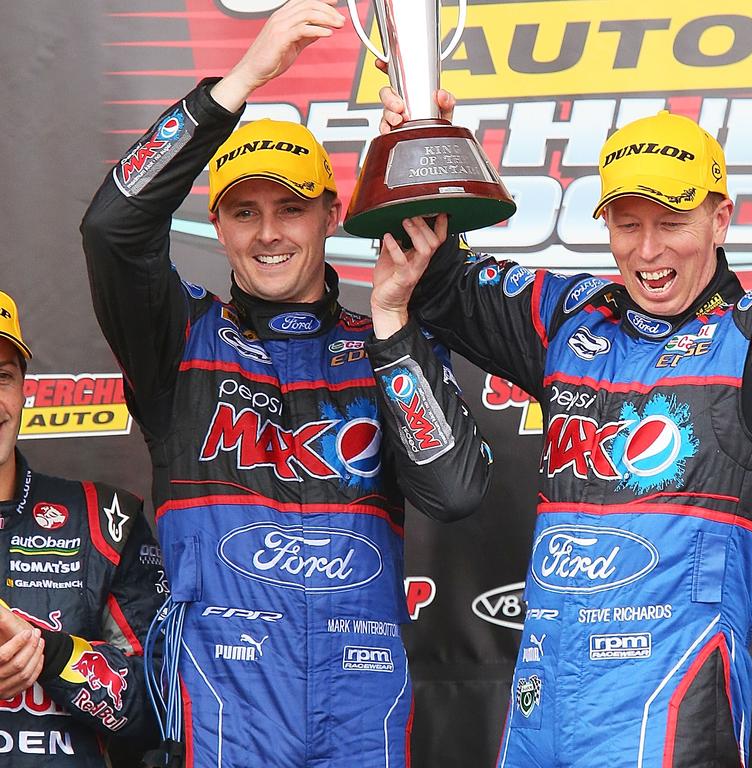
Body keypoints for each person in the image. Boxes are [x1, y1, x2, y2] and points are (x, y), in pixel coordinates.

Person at [373, 0, 752, 764]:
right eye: (626, 223)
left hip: (669, 714)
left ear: (721, 219)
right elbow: (441, 283)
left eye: (671, 221)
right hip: (541, 711)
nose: (648, 250)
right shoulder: (572, 320)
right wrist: (421, 144)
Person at [79, 1, 492, 766]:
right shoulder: (179, 338)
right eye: (245, 212)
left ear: (331, 216)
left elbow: (457, 491)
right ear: (220, 225)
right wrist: (242, 79)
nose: (269, 232)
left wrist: (395, 319)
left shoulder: (382, 346)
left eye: (290, 208)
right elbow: (111, 227)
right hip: (224, 714)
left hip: (364, 708)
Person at [0, 289, 164, 766]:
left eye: (3, 377)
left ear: (25, 388)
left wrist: (51, 657)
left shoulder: (103, 519)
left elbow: (164, 704)